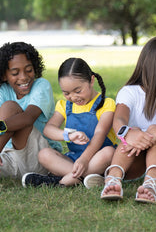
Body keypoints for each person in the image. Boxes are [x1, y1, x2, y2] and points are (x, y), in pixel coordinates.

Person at [86, 36, 156, 204]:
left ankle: (152, 183)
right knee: (130, 133)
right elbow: (119, 119)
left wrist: (150, 133)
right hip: (134, 155)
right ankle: (113, 179)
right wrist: (128, 134)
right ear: (152, 62)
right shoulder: (129, 92)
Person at [22, 57, 117, 187]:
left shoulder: (106, 104)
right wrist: (68, 135)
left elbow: (100, 133)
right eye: (66, 93)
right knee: (44, 154)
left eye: (78, 91)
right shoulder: (64, 106)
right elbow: (48, 129)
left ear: (91, 80)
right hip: (73, 160)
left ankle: (59, 182)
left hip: (98, 158)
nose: (73, 97)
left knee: (109, 152)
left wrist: (84, 159)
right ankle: (88, 177)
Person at [0, 42, 62, 180]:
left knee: (9, 107)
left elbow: (28, 118)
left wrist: (2, 126)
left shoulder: (41, 85)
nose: (23, 77)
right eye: (15, 73)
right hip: (10, 158)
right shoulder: (3, 90)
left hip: (40, 157)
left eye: (28, 70)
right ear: (4, 75)